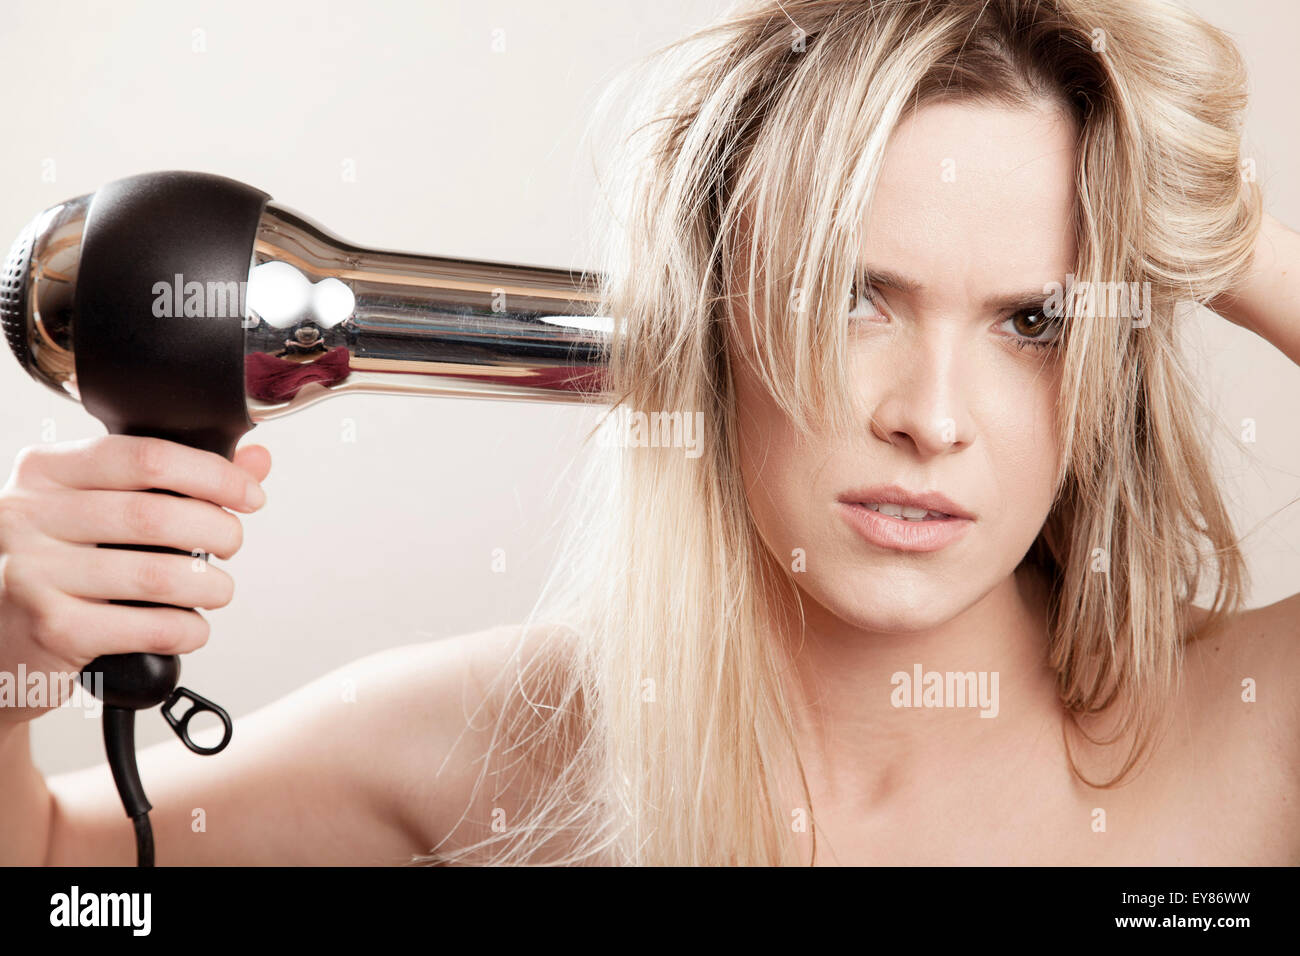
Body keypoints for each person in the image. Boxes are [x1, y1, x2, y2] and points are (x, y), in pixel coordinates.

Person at [3, 0, 1298, 866]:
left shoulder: (1245, 738)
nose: (933, 419)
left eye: (1031, 322)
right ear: (707, 318)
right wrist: (8, 678)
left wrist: (1213, 227)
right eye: (853, 297)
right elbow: (59, 866)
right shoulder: (518, 739)